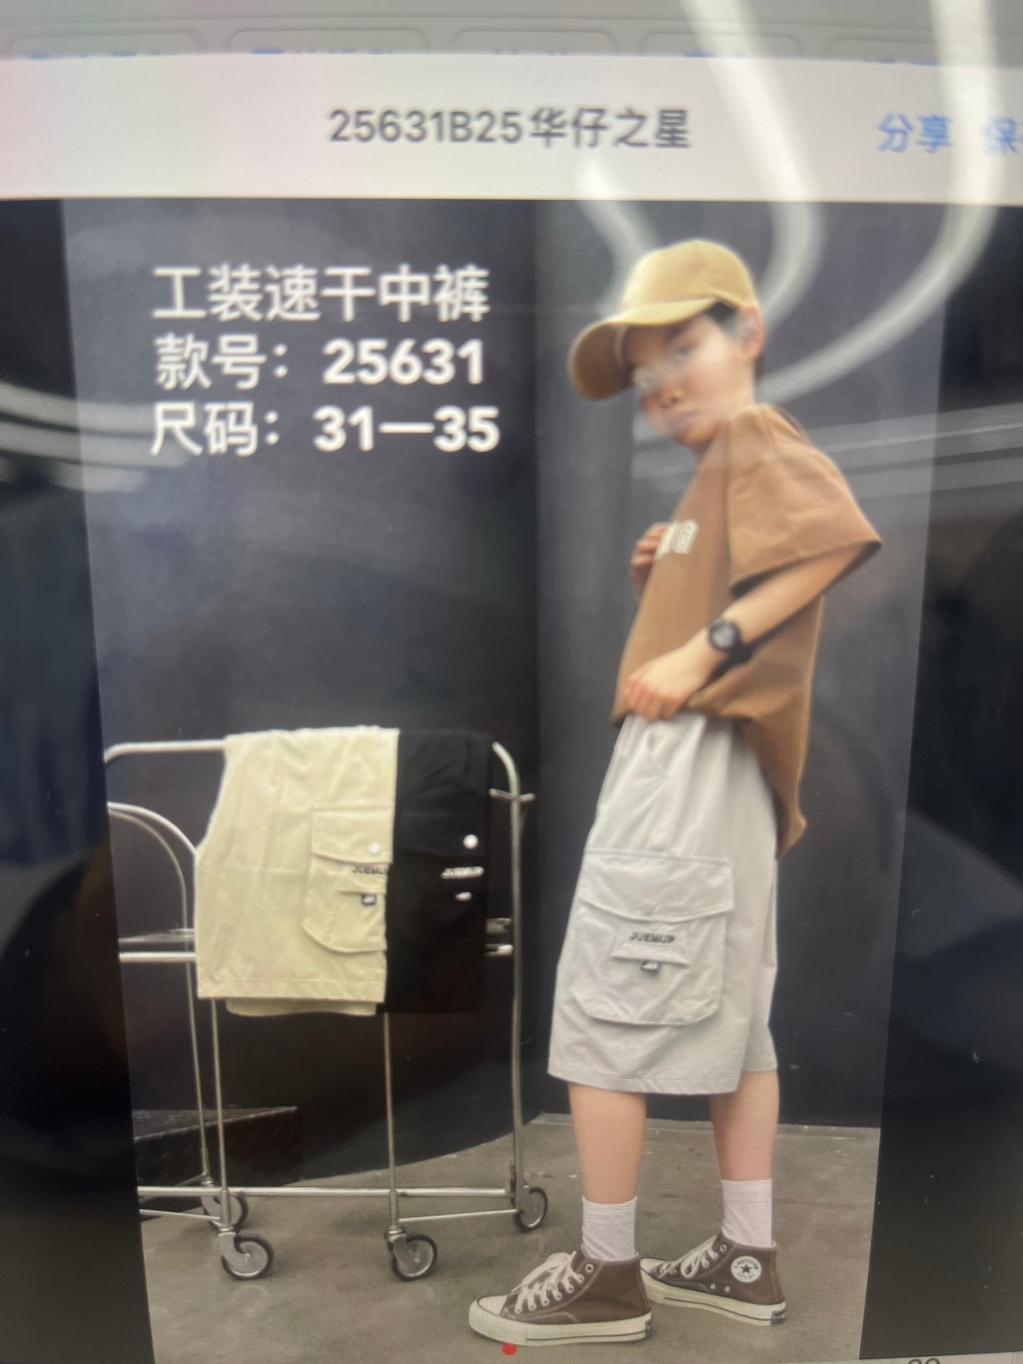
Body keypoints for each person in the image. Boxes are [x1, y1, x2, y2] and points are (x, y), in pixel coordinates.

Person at [468, 239, 883, 1348]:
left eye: (684, 348)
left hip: (690, 762)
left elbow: (833, 541)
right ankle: (745, 1255)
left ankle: (607, 1273)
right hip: (727, 778)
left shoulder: (754, 434)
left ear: (749, 332)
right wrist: (677, 574)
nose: (663, 385)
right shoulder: (723, 471)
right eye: (647, 374)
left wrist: (706, 645)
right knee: (735, 1022)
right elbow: (778, 558)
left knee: (606, 1011)